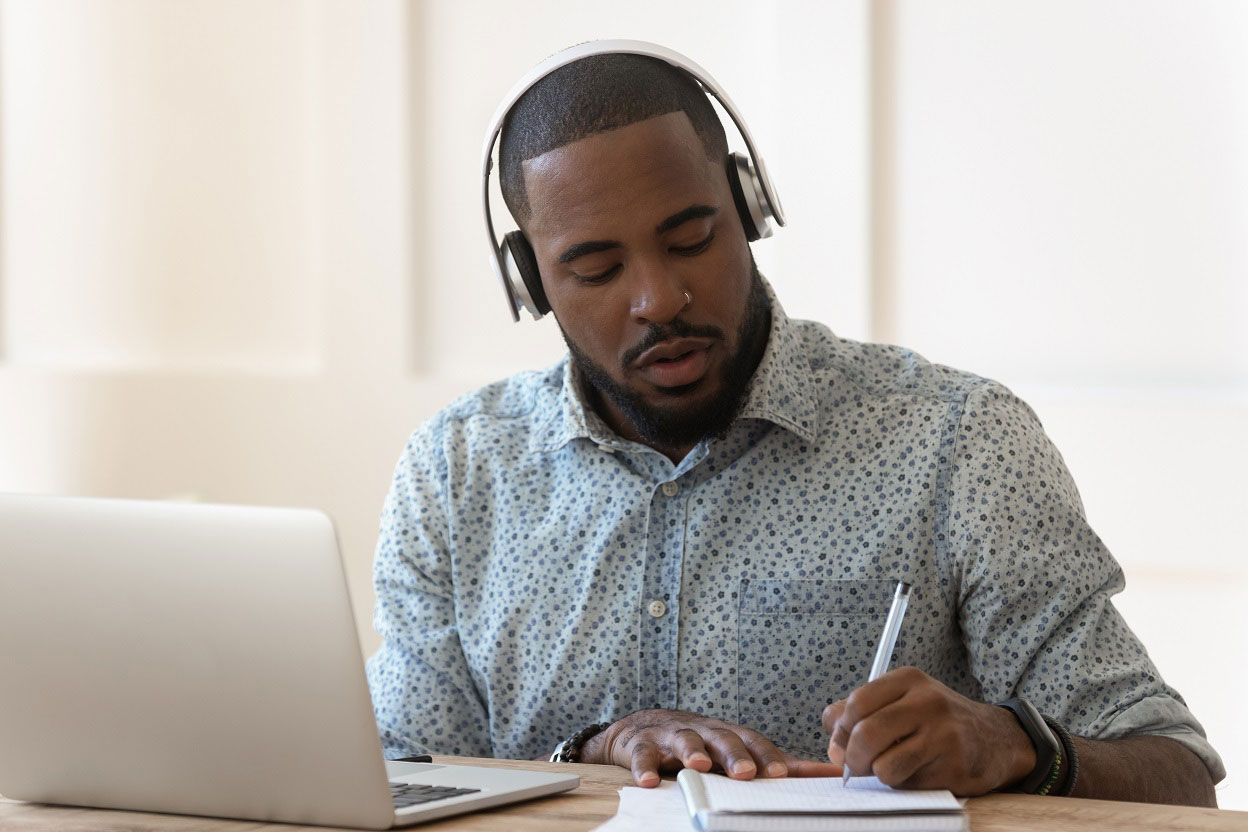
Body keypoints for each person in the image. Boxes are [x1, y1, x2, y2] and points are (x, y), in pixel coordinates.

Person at [365, 42, 1223, 806]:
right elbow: (395, 771)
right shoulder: (457, 472)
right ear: (530, 281)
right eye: (594, 267)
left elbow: (1175, 773)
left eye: (693, 236)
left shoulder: (956, 441)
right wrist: (589, 753)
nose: (659, 299)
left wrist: (1013, 745)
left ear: (747, 205)